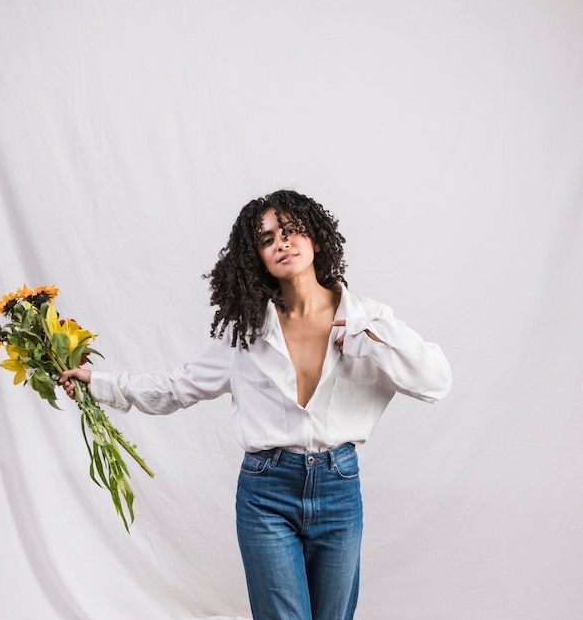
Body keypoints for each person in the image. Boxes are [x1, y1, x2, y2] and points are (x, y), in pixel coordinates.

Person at [60, 189, 452, 620]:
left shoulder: (368, 319)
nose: (281, 243)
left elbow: (435, 382)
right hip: (266, 492)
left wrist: (373, 343)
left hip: (339, 486)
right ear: (257, 257)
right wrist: (100, 384)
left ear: (316, 239)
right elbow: (179, 386)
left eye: (290, 230)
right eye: (267, 239)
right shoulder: (245, 331)